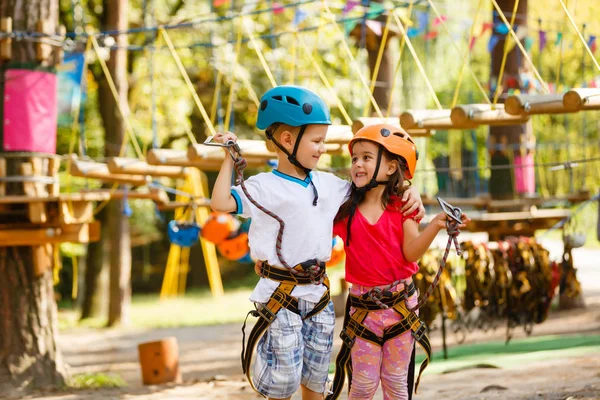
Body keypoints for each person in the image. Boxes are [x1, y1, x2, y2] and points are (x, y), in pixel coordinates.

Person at [210, 86, 424, 400]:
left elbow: (375, 186)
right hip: (278, 296)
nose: (323, 149)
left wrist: (409, 190)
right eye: (317, 141)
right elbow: (220, 203)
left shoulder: (330, 185)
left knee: (315, 377)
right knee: (282, 382)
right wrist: (229, 157)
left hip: (318, 296)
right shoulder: (263, 186)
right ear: (287, 141)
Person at [329, 124, 469, 400]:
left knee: (395, 383)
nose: (357, 164)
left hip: (401, 307)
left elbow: (410, 253)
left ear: (391, 167)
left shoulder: (402, 207)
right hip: (362, 310)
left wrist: (437, 225)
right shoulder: (344, 208)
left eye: (367, 157)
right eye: (355, 158)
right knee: (363, 385)